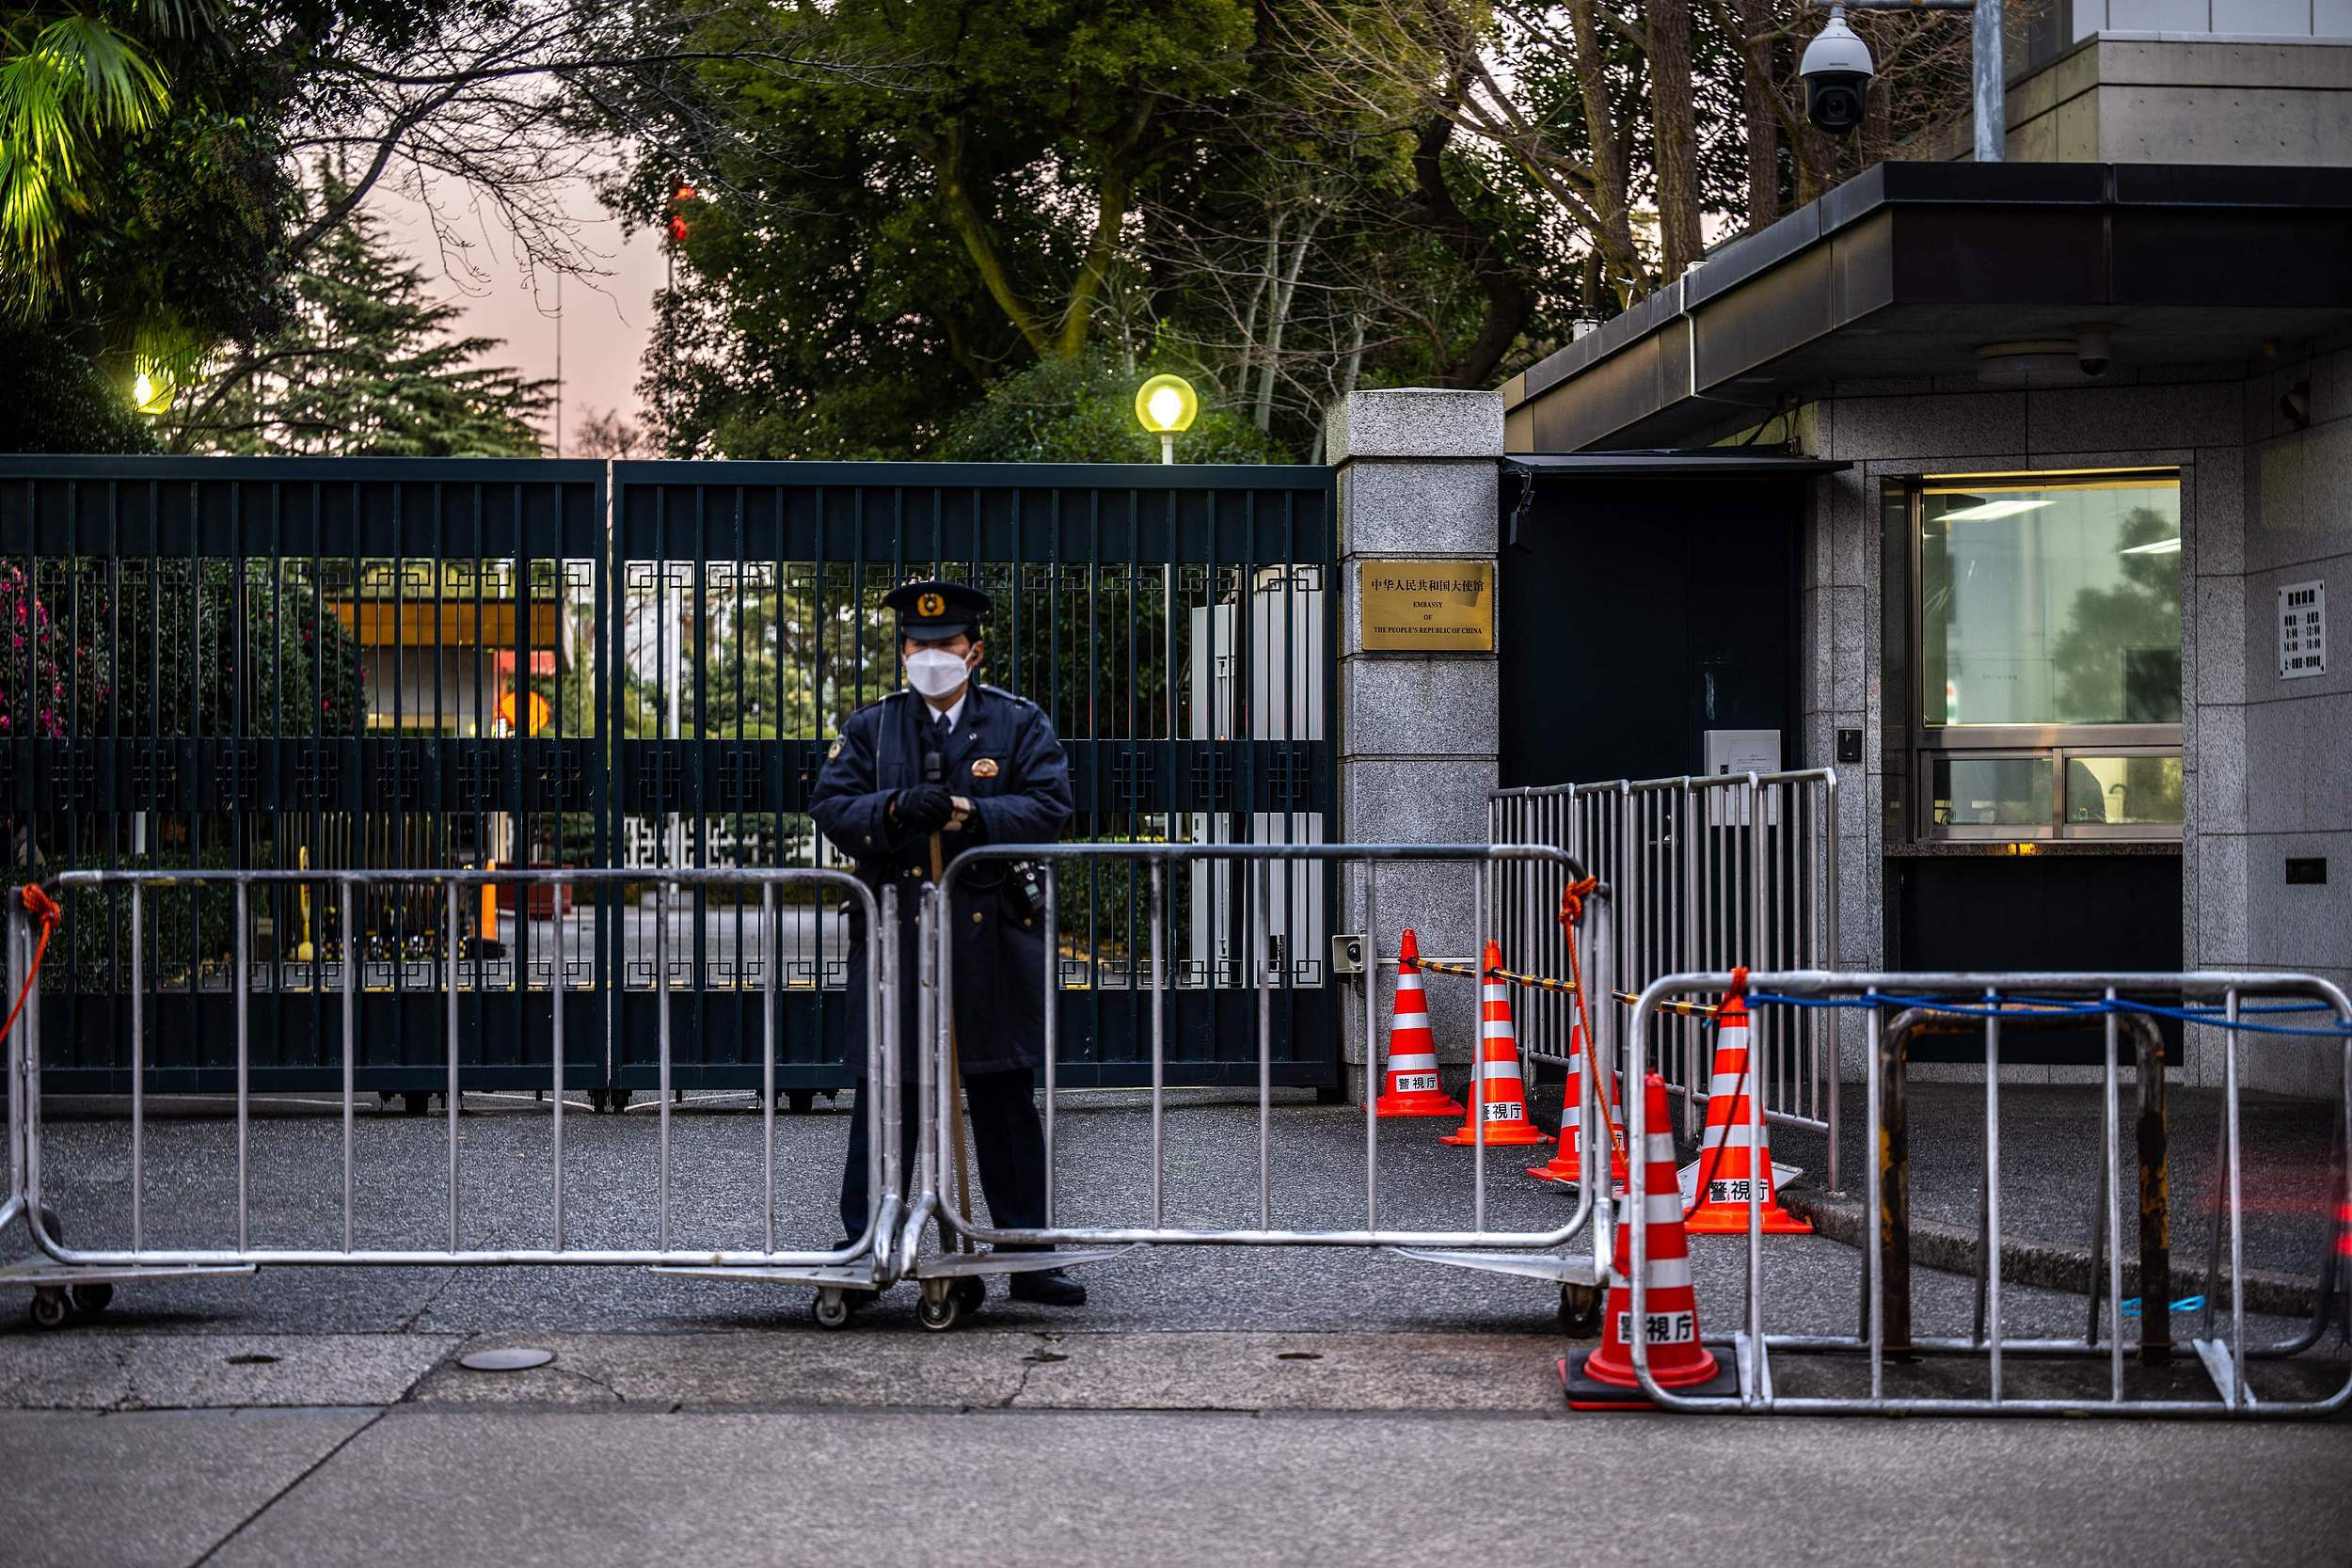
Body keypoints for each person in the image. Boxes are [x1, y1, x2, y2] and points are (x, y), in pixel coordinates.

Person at [810, 578, 1084, 1307]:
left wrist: (970, 812)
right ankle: (864, 1247)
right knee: (887, 1098)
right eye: (920, 644)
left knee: (1001, 1096)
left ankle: (1029, 1253)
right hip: (899, 935)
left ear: (974, 651)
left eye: (947, 644)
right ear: (903, 651)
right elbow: (831, 804)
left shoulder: (1017, 724)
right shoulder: (873, 728)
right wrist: (894, 808)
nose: (933, 655)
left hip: (989, 939)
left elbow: (1051, 805)